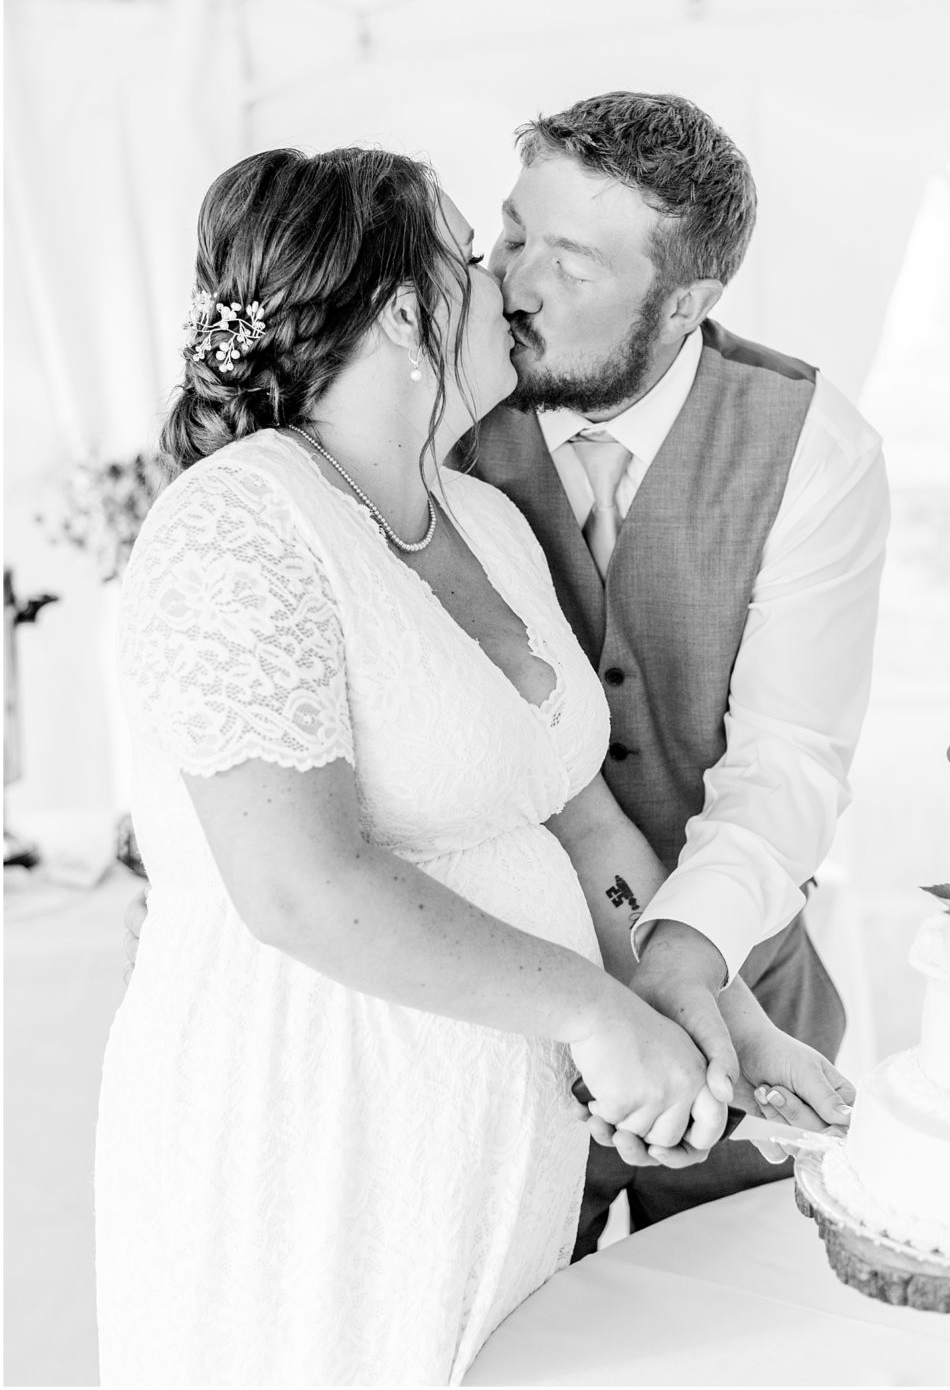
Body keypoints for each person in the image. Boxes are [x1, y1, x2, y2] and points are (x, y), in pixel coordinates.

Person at [99, 144, 849, 1387]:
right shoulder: (239, 523)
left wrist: (720, 1011)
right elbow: (299, 887)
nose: (495, 276)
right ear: (405, 308)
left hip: (491, 1154)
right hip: (313, 1137)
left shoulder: (485, 523)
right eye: (466, 250)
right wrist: (593, 1012)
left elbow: (584, 819)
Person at [467, 90, 890, 1257]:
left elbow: (790, 760)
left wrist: (690, 967)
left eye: (572, 263)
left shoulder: (816, 446)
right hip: (497, 1002)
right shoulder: (433, 410)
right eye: (511, 233)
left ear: (687, 302)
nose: (514, 284)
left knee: (733, 1327)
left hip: (742, 991)